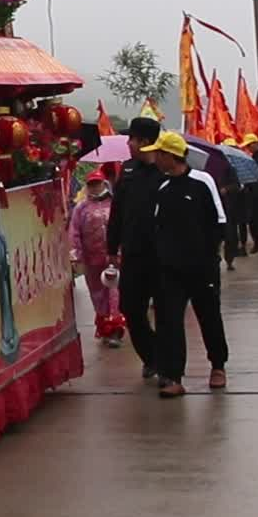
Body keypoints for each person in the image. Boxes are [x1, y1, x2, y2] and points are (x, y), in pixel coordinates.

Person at [142, 131, 230, 396]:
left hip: (202, 268)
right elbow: (156, 227)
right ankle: (173, 376)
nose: (156, 158)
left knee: (209, 317)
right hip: (170, 270)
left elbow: (219, 223)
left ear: (171, 155)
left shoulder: (201, 183)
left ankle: (218, 365)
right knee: (169, 322)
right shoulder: (162, 188)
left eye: (159, 154)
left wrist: (207, 255)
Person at [106, 117, 165, 381]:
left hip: (162, 255)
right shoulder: (127, 171)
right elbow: (117, 212)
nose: (128, 144)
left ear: (144, 142)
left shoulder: (166, 170)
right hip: (132, 253)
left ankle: (168, 364)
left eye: (132, 139)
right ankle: (151, 356)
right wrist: (112, 247)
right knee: (131, 309)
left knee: (166, 312)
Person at [69, 170, 123, 347]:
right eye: (91, 184)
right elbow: (74, 232)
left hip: (114, 258)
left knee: (114, 292)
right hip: (92, 259)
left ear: (104, 183)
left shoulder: (114, 203)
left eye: (97, 183)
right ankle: (104, 328)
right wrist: (75, 254)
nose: (95, 187)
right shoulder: (81, 208)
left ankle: (115, 328)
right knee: (98, 295)